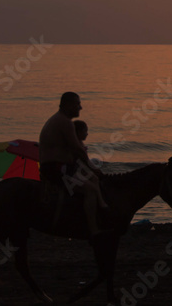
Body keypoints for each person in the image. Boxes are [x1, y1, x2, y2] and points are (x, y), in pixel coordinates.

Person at [38, 92, 105, 237]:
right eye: (77, 104)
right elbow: (78, 149)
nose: (80, 107)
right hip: (55, 169)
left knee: (93, 180)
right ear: (68, 105)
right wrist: (93, 168)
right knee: (90, 190)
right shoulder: (64, 122)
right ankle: (93, 229)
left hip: (60, 167)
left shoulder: (57, 120)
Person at [73, 120, 108, 208]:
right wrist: (95, 170)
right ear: (78, 132)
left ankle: (100, 201)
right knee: (92, 186)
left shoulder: (80, 143)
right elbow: (84, 161)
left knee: (95, 179)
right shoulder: (76, 144)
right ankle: (99, 202)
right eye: (85, 131)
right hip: (74, 171)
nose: (87, 134)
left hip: (79, 170)